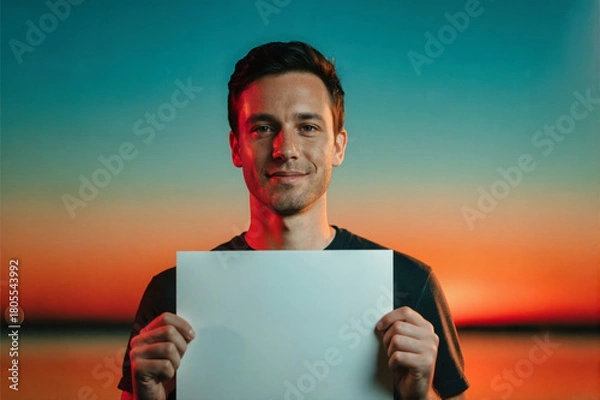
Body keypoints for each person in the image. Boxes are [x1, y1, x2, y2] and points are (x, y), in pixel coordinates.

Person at [118, 41, 469, 400]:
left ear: (338, 146)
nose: (285, 148)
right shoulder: (171, 294)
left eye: (308, 127)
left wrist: (419, 396)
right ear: (236, 147)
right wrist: (148, 394)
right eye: (263, 128)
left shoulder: (411, 285)